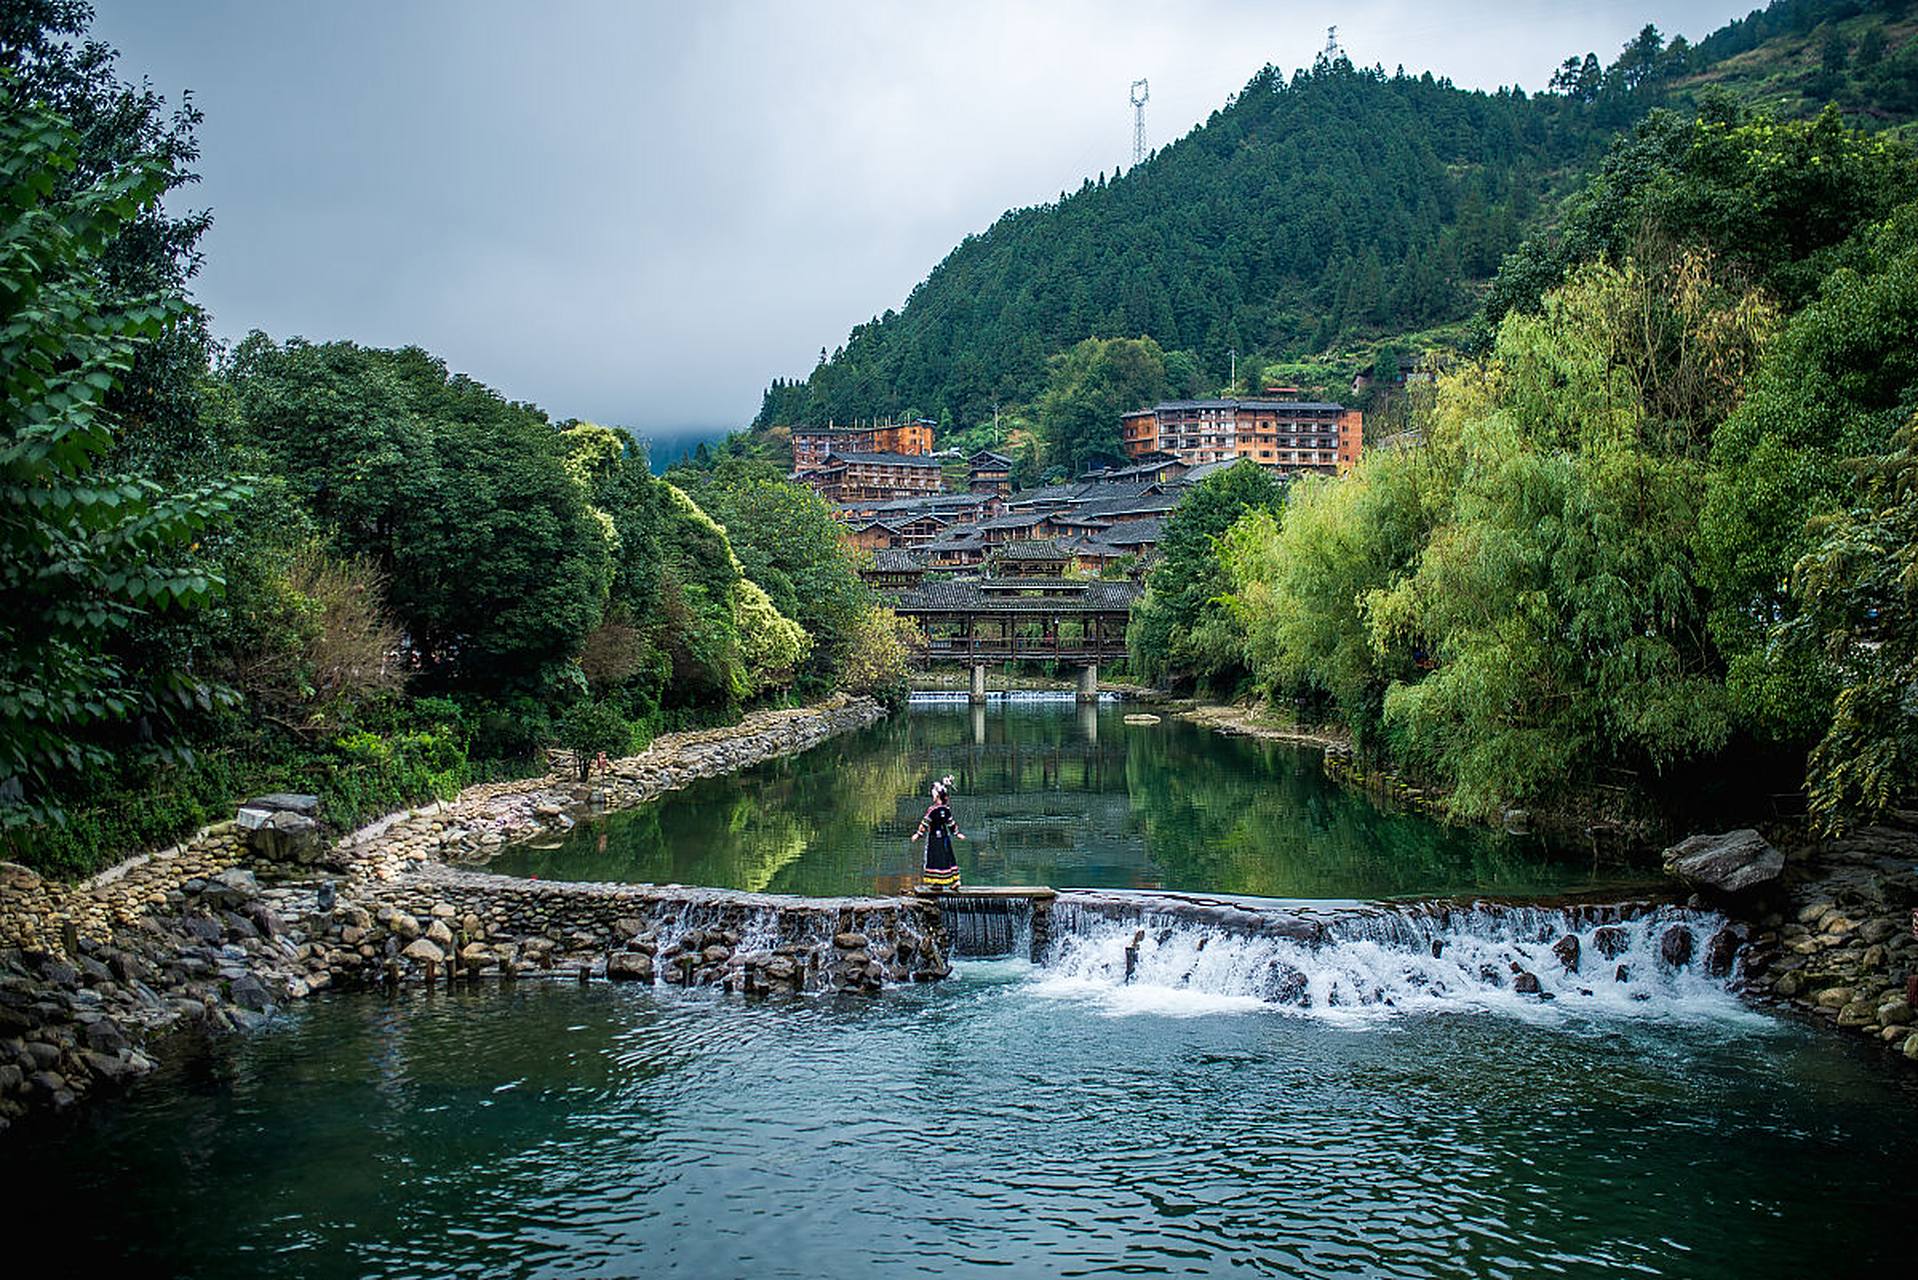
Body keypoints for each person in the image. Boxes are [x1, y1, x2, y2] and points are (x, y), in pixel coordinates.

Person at [912, 775, 967, 890]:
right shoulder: (946, 809)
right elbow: (951, 823)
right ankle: (954, 881)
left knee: (935, 859)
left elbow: (925, 823)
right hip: (944, 837)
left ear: (937, 796)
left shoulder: (932, 810)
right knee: (948, 857)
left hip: (934, 839)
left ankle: (938, 883)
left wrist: (918, 834)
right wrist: (957, 833)